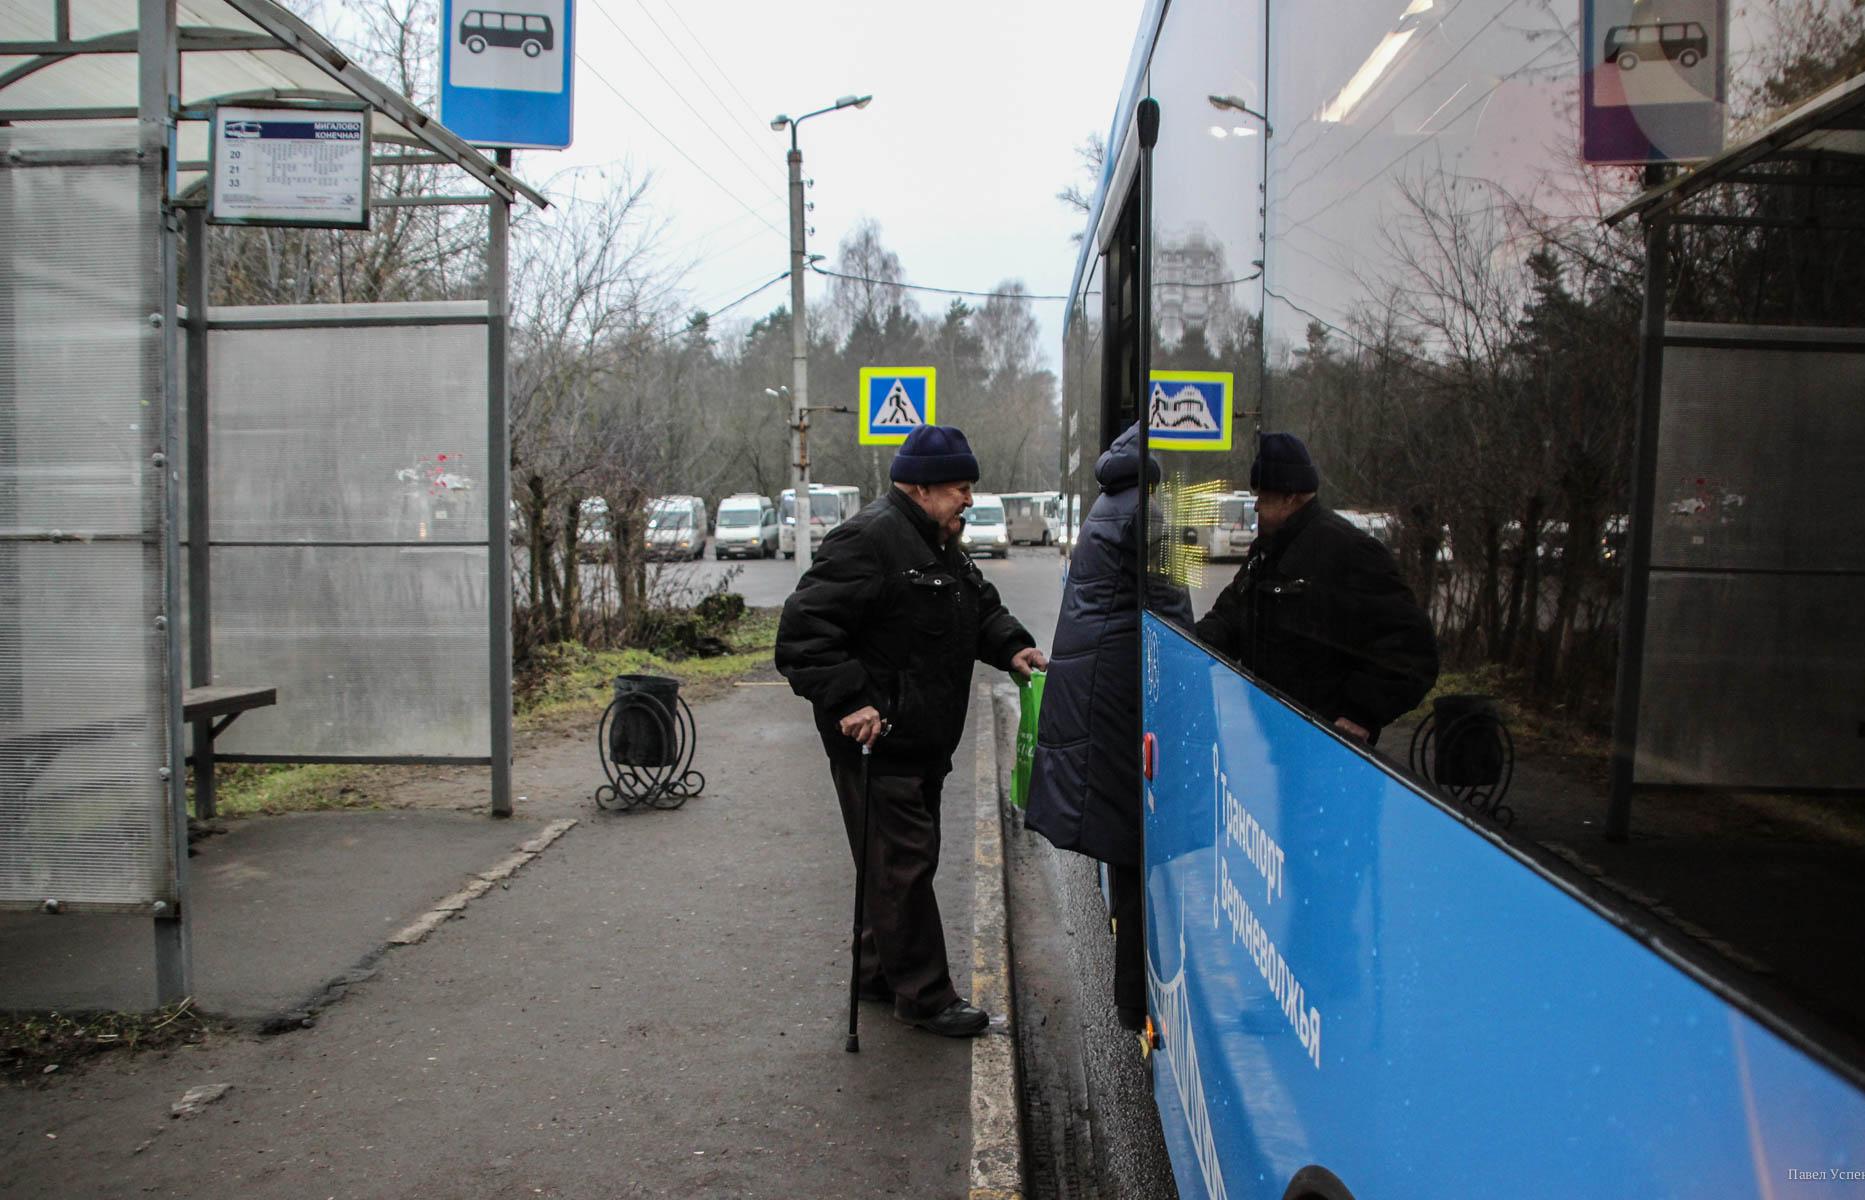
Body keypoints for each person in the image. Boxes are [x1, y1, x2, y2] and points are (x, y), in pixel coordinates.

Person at [775, 424, 1047, 1038]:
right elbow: (802, 636)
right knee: (904, 863)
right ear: (920, 488)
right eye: (960, 488)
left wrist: (1013, 649)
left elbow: (978, 607)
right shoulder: (869, 540)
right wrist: (852, 701)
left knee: (890, 859)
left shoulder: (939, 540)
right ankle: (924, 996)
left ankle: (877, 973)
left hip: (922, 738)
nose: (969, 501)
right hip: (878, 739)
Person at [1023, 423, 1192, 1031]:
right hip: (1121, 695)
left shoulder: (1108, 504)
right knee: (1134, 840)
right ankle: (1135, 1002)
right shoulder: (1148, 514)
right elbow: (1174, 608)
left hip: (1100, 692)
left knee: (1124, 839)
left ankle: (1131, 997)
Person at [1194, 432, 1438, 745]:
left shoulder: (1348, 552)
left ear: (1290, 498)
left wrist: (1359, 714)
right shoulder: (1268, 550)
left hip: (1327, 742)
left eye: (1264, 499)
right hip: (1279, 730)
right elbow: (1232, 616)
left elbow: (1413, 648)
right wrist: (1190, 645)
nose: (1255, 507)